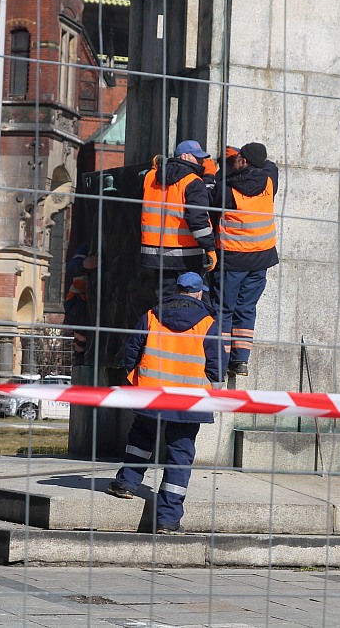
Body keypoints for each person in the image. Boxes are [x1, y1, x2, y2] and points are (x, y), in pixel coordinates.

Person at [107, 271, 227, 534]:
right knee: (179, 457)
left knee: (140, 440)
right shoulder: (208, 323)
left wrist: (135, 378)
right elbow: (218, 364)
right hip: (189, 402)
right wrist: (213, 391)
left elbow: (132, 351)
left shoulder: (151, 315)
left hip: (151, 395)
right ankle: (168, 520)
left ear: (177, 290)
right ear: (198, 293)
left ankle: (126, 484)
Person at [210, 141, 278, 377]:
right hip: (261, 259)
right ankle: (240, 362)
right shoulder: (270, 181)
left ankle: (220, 358)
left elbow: (213, 192)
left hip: (232, 259)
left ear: (243, 162)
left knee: (224, 310)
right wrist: (242, 159)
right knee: (247, 308)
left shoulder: (227, 189)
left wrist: (219, 169)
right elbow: (270, 165)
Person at [131, 140, 217, 317]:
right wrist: (209, 248)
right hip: (186, 256)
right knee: (194, 300)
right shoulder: (193, 181)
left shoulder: (150, 177)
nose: (200, 162)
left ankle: (164, 338)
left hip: (154, 255)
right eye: (197, 158)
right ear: (184, 156)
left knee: (165, 301)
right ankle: (187, 337)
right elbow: (198, 219)